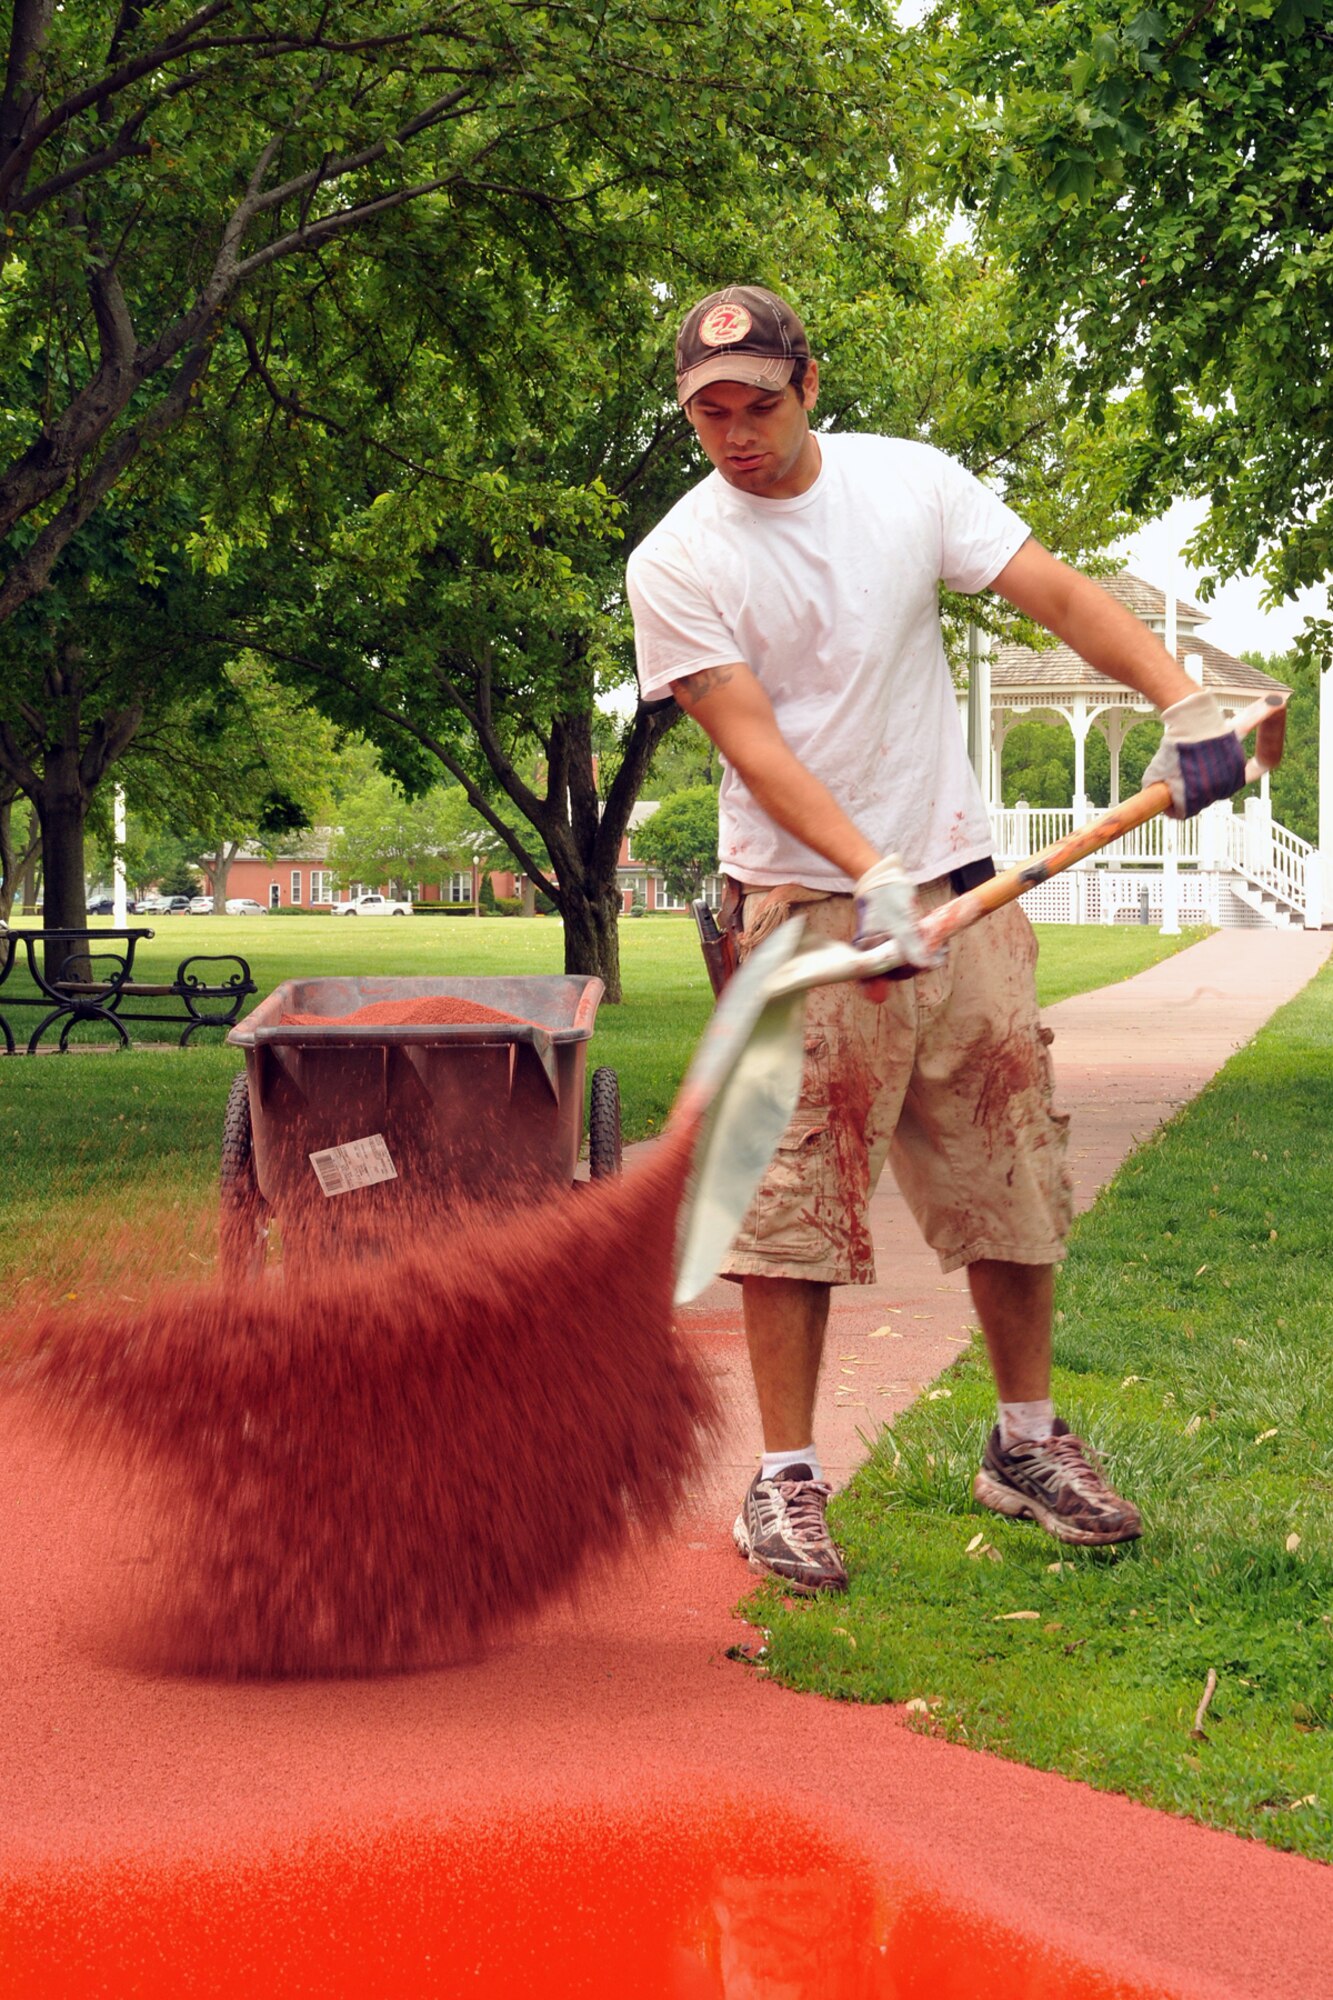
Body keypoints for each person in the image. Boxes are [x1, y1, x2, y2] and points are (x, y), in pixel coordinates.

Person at [627, 284, 1247, 1595]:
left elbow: (1054, 594)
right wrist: (867, 874)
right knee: (794, 1201)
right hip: (803, 914)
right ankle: (782, 1482)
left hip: (970, 894)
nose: (735, 434)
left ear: (810, 382)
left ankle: (1023, 1445)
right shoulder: (677, 560)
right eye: (708, 413)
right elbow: (750, 741)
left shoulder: (907, 483)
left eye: (759, 403)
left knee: (1009, 1170)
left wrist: (1182, 701)